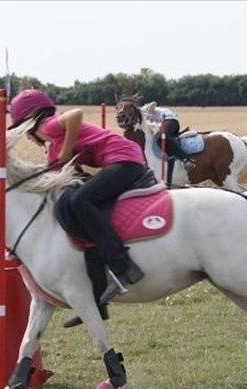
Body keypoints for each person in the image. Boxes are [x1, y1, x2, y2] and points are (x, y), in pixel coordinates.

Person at [8, 89, 150, 326]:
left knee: (79, 201)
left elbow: (76, 114)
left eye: (24, 131)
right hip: (119, 163)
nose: (29, 138)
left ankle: (123, 267)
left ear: (30, 122)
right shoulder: (53, 144)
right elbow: (56, 177)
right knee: (76, 215)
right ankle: (96, 301)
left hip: (125, 160)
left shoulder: (50, 126)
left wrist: (66, 150)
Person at [141, 101, 196, 173]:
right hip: (171, 123)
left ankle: (186, 159)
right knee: (166, 143)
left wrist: (148, 116)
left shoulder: (143, 109)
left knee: (162, 137)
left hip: (169, 120)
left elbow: (153, 103)